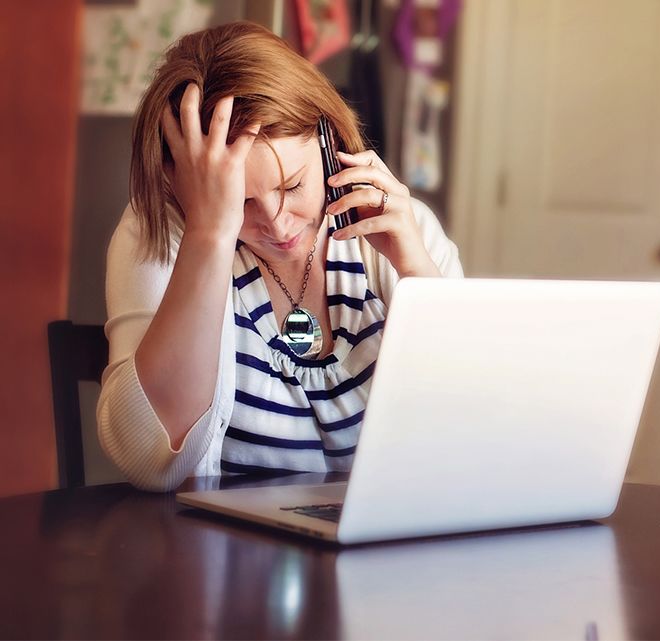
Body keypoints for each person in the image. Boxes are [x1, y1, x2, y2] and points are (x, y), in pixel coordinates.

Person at [96, 22, 463, 492]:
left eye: (292, 186)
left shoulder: (401, 226)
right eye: (241, 202)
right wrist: (209, 231)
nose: (276, 223)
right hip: (223, 554)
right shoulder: (160, 233)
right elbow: (148, 462)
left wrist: (416, 274)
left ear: (329, 142)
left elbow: (468, 428)